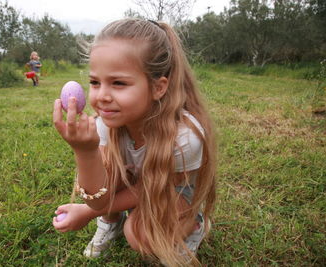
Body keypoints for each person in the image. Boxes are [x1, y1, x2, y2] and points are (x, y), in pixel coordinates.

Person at [52, 18, 217, 266]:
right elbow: (99, 195)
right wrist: (85, 152)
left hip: (173, 192)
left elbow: (153, 187)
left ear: (158, 87)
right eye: (95, 82)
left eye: (118, 83)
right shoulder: (107, 123)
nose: (102, 96)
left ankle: (193, 225)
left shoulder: (184, 136)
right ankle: (110, 222)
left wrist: (87, 211)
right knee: (102, 170)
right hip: (138, 184)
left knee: (139, 235)